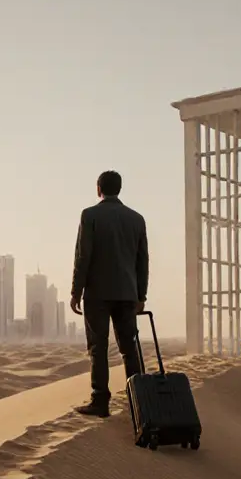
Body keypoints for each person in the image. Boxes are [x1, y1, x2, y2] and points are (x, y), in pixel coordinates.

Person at [70, 170, 149, 417]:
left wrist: (76, 290)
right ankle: (140, 401)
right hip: (127, 293)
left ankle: (100, 400)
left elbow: (83, 256)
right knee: (129, 348)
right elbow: (142, 261)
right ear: (120, 189)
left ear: (98, 189)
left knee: (98, 347)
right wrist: (141, 295)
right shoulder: (136, 219)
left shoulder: (90, 216)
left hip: (97, 294)